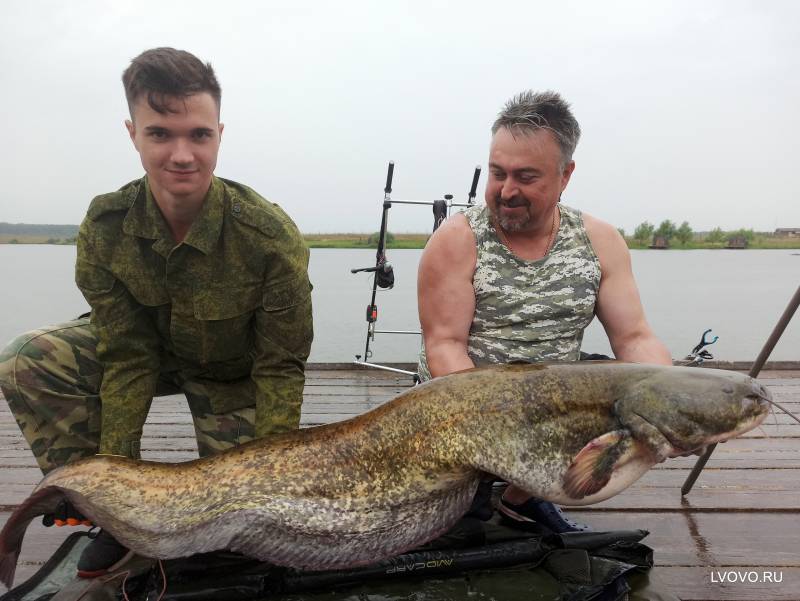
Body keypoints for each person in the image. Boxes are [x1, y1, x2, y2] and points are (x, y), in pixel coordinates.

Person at [0, 48, 313, 576]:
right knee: (26, 359)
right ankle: (101, 517)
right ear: (132, 133)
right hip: (156, 359)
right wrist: (117, 490)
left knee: (241, 533)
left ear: (220, 133)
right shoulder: (106, 227)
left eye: (199, 134)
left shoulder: (270, 238)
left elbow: (281, 367)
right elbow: (128, 355)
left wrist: (270, 472)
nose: (182, 155)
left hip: (233, 376)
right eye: (160, 134)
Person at [416, 90, 672, 532]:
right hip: (465, 409)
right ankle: (485, 490)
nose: (507, 191)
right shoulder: (456, 240)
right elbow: (445, 347)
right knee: (452, 530)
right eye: (498, 173)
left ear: (565, 175)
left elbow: (634, 338)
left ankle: (522, 498)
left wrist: (670, 397)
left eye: (526, 176)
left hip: (552, 409)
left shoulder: (600, 240)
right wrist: (507, 432)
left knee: (625, 390)